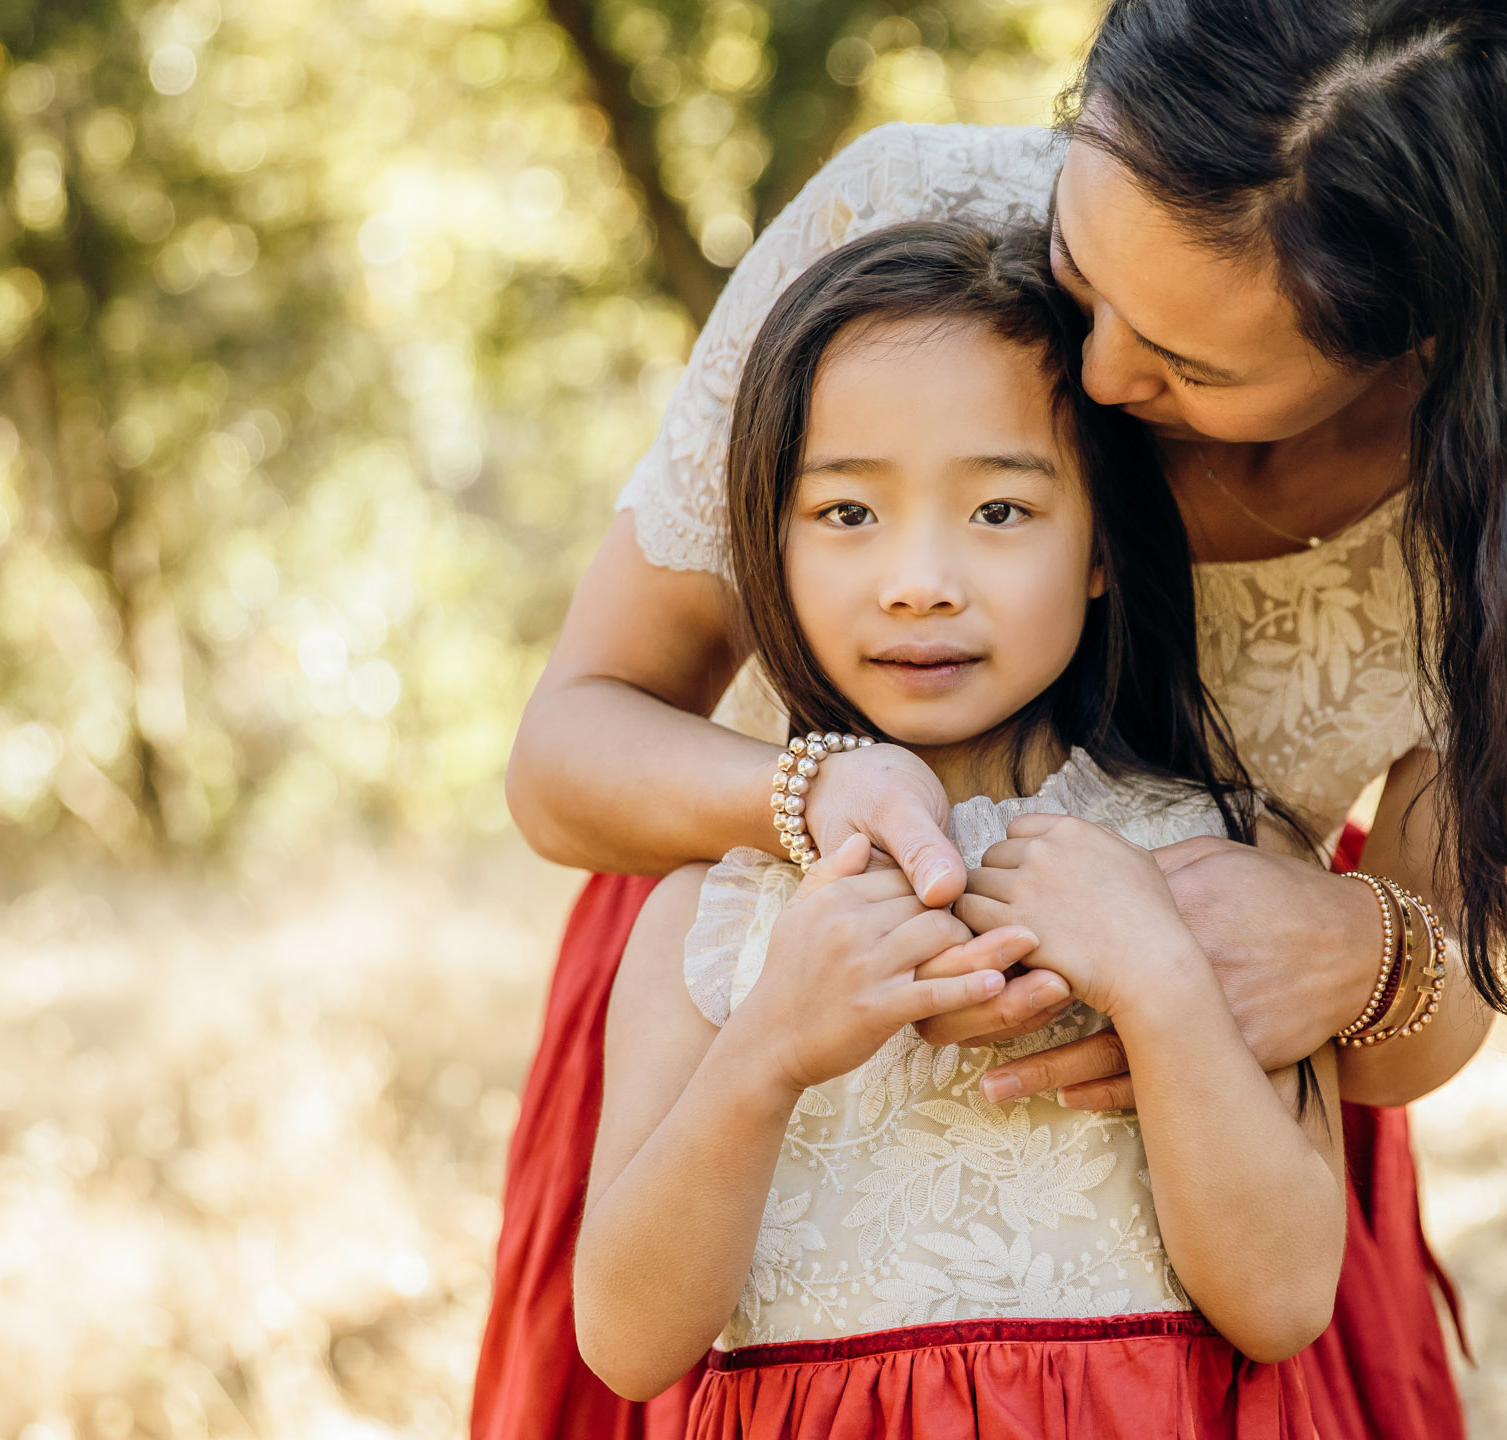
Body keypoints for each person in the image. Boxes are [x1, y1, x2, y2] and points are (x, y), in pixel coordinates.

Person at [475, 0, 1507, 1434]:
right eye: (1081, 270)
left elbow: (1422, 1021)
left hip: (1207, 1153)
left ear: (1419, 341)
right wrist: (805, 811)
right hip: (756, 1017)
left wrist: (1361, 953)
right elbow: (565, 756)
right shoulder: (905, 231)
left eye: (1195, 369)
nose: (1108, 378)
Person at [578, 219, 1356, 1435]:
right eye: (846, 514)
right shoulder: (714, 917)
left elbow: (1287, 1299)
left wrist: (1159, 982)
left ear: (1101, 544)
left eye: (999, 510)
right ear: (765, 547)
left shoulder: (1226, 868)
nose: (920, 578)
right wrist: (769, 1047)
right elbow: (625, 1344)